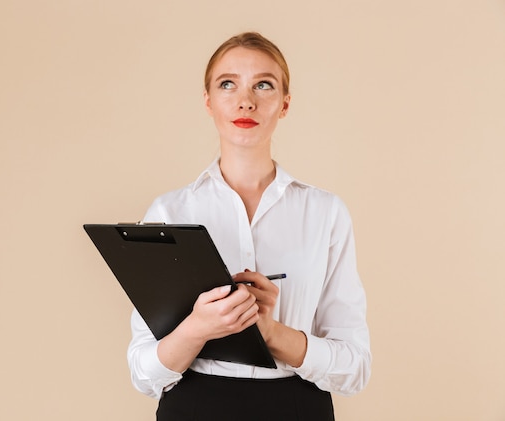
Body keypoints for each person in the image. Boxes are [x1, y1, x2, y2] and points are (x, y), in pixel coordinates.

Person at [127, 32, 371, 420]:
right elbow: (143, 373)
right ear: (208, 101)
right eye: (228, 84)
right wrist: (197, 328)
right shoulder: (169, 211)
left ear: (285, 104)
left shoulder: (326, 212)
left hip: (297, 408)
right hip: (194, 408)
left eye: (263, 85)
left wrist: (271, 333)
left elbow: (355, 367)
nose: (246, 101)